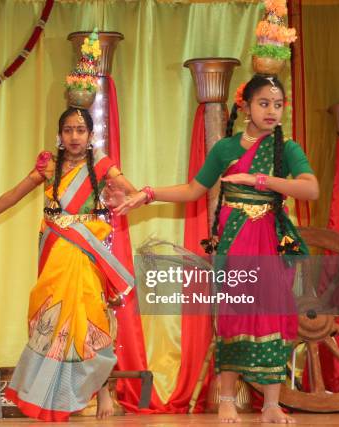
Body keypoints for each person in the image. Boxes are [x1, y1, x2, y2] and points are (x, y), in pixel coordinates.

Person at [115, 75, 319, 423]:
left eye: (278, 104)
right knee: (234, 314)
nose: (272, 111)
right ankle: (227, 398)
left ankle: (271, 404)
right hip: (236, 239)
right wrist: (147, 195)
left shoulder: (288, 148)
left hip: (270, 240)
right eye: (264, 103)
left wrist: (260, 181)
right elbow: (193, 190)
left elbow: (310, 190)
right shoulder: (225, 149)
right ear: (245, 106)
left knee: (274, 314)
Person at [0, 107, 137, 421]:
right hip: (53, 251)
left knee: (89, 316)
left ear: (91, 135)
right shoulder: (49, 166)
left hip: (84, 252)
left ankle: (102, 390)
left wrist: (129, 195)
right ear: (59, 134)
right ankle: (51, 394)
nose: (74, 136)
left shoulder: (102, 165)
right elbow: (14, 194)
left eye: (80, 130)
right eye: (68, 130)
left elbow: (131, 191)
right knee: (50, 318)